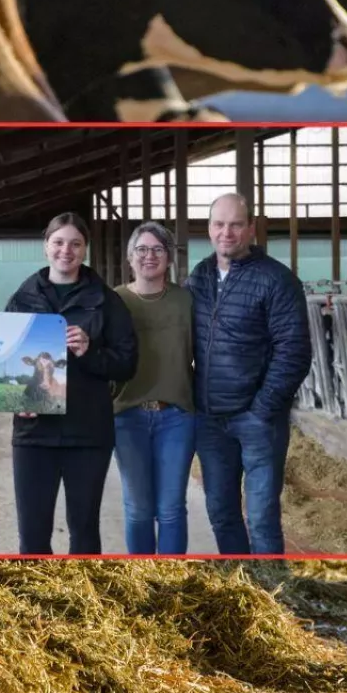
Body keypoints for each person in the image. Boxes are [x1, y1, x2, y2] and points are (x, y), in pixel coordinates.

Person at [184, 193, 312, 555]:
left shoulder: (277, 280)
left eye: (236, 224)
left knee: (261, 517)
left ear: (251, 228)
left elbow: (295, 351)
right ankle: (242, 589)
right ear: (209, 229)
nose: (227, 232)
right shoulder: (201, 276)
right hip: (210, 420)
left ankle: (273, 596)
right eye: (219, 224)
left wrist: (262, 409)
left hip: (257, 421)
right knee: (221, 513)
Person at [4, 212, 139, 555]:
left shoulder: (107, 301)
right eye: (59, 242)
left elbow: (127, 364)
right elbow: (6, 365)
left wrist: (90, 351)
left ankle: (83, 602)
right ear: (46, 247)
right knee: (32, 539)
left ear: (85, 250)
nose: (67, 250)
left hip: (88, 433)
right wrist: (16, 399)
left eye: (76, 244)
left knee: (84, 533)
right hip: (34, 435)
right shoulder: (22, 299)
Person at [110, 222, 195, 555]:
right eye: (142, 250)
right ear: (130, 257)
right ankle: (143, 580)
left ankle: (173, 584)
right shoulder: (114, 300)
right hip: (127, 416)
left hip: (176, 416)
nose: (150, 256)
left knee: (172, 509)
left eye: (158, 249)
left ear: (169, 257)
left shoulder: (185, 300)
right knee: (139, 508)